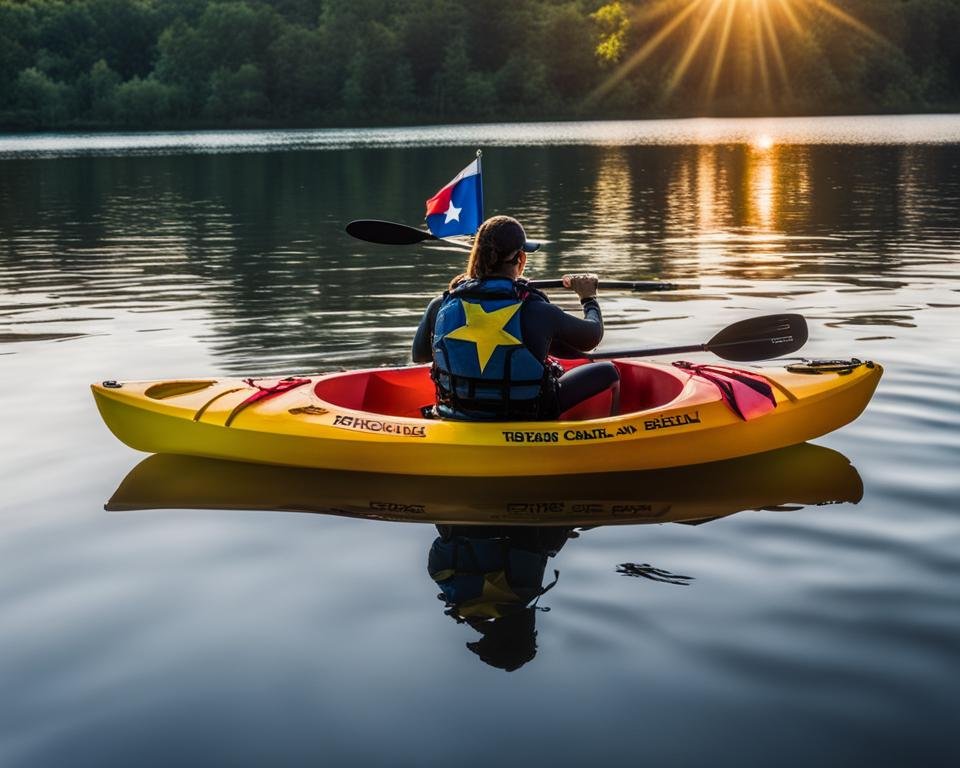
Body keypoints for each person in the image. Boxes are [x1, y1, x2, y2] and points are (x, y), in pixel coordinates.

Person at [412, 215, 620, 420]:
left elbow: (420, 356)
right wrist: (588, 298)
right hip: (527, 414)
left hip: (458, 411)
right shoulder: (538, 311)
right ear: (521, 259)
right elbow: (592, 335)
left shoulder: (440, 305)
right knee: (609, 372)